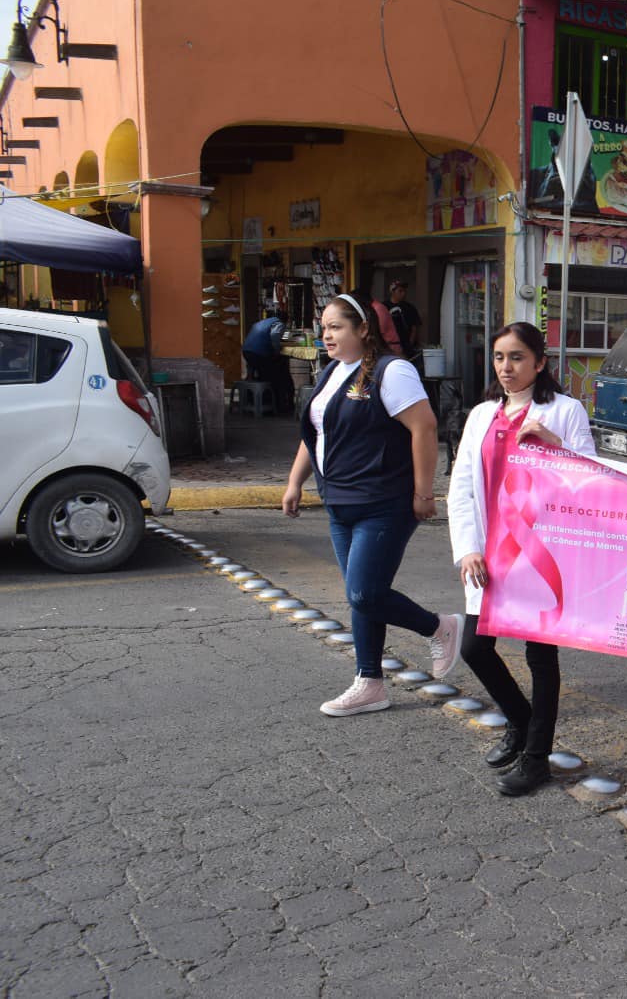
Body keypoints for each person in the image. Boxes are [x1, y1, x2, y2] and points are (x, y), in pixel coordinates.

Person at [282, 293, 464, 716]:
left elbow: (423, 428)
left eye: (337, 326)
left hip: (384, 501)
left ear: (363, 329)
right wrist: (295, 482)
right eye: (324, 327)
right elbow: (318, 434)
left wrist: (423, 492)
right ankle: (369, 684)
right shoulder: (331, 372)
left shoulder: (392, 371)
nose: (327, 334)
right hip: (339, 501)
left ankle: (439, 627)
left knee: (363, 592)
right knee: (361, 596)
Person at [447, 321, 595, 797]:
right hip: (487, 553)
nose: (505, 367)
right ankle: (522, 721)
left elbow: (590, 483)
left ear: (540, 363)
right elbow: (462, 488)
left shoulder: (566, 412)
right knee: (474, 648)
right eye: (498, 357)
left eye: (515, 358)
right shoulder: (482, 415)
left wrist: (557, 447)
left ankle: (536, 757)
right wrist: (467, 546)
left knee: (539, 656)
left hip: (536, 554)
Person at [242, 307, 293, 411]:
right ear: (285, 319)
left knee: (265, 372)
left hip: (247, 351)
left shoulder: (263, 322)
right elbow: (274, 336)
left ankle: (260, 400)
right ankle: (275, 404)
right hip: (259, 353)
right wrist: (276, 351)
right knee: (276, 374)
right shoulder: (279, 323)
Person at [386, 281, 423, 360]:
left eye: (404, 291)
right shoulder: (384, 306)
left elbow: (414, 327)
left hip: (405, 345)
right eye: (400, 291)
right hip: (388, 344)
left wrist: (410, 344)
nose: (403, 294)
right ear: (392, 291)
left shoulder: (409, 307)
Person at [365, 289, 404, 356]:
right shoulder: (373, 308)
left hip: (390, 347)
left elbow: (378, 330)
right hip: (385, 346)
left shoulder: (378, 308)